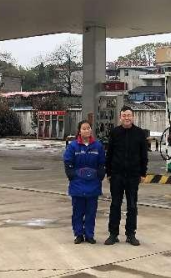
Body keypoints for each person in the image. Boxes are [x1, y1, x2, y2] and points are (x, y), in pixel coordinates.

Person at [105, 105, 148, 246]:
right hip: (117, 175)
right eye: (124, 115)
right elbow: (109, 154)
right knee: (115, 204)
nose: (126, 118)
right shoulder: (114, 132)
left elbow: (144, 155)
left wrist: (143, 173)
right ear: (120, 117)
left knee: (132, 206)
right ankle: (113, 234)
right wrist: (109, 172)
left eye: (129, 115)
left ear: (133, 117)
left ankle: (131, 234)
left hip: (133, 175)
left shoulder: (140, 133)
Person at [63, 120, 106, 244]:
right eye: (84, 128)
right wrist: (72, 176)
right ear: (79, 131)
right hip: (78, 185)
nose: (86, 130)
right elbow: (68, 162)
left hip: (93, 185)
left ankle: (89, 235)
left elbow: (102, 163)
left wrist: (100, 175)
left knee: (91, 213)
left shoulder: (98, 146)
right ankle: (78, 234)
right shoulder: (73, 146)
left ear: (91, 130)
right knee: (78, 212)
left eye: (88, 128)